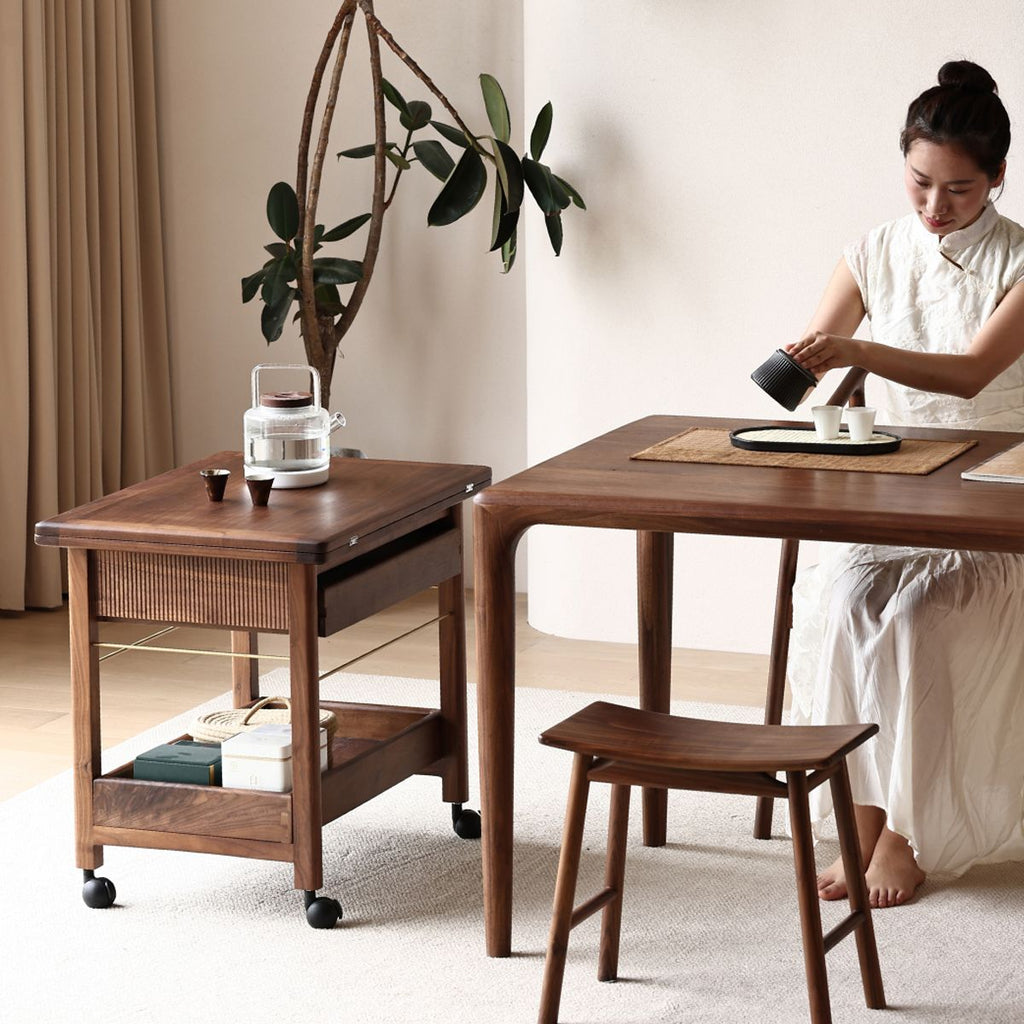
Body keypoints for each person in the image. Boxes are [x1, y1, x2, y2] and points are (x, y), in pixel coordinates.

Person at [785, 60, 1024, 909]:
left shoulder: (1022, 259)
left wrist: (855, 355)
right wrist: (808, 368)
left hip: (1000, 497)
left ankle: (902, 833)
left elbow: (967, 376)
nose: (934, 207)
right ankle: (857, 820)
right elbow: (809, 358)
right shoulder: (874, 250)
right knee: (849, 601)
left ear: (999, 175)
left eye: (959, 189)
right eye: (920, 182)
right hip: (896, 489)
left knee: (922, 619)